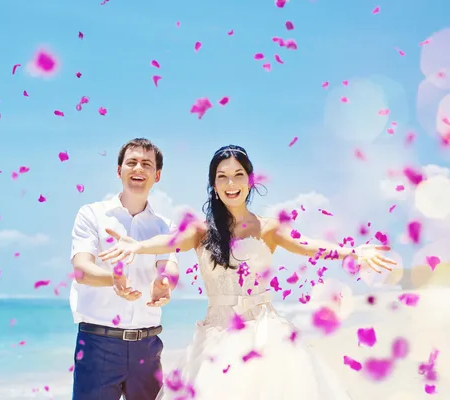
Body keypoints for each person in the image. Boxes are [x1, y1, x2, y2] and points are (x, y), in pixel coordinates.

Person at [98, 144, 397, 399]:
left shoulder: (268, 227)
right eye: (222, 177)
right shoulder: (201, 230)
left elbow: (307, 246)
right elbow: (168, 241)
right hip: (216, 334)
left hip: (266, 333)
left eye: (238, 175)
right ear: (213, 184)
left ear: (250, 180)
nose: (231, 183)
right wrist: (136, 245)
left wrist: (354, 251)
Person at [69, 138, 179, 400]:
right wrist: (113, 279)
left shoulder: (165, 226)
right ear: (119, 171)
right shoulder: (92, 214)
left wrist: (164, 284)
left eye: (146, 164)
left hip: (147, 347)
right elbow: (81, 269)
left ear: (157, 175)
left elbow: (169, 266)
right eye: (131, 162)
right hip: (98, 344)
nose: (138, 168)